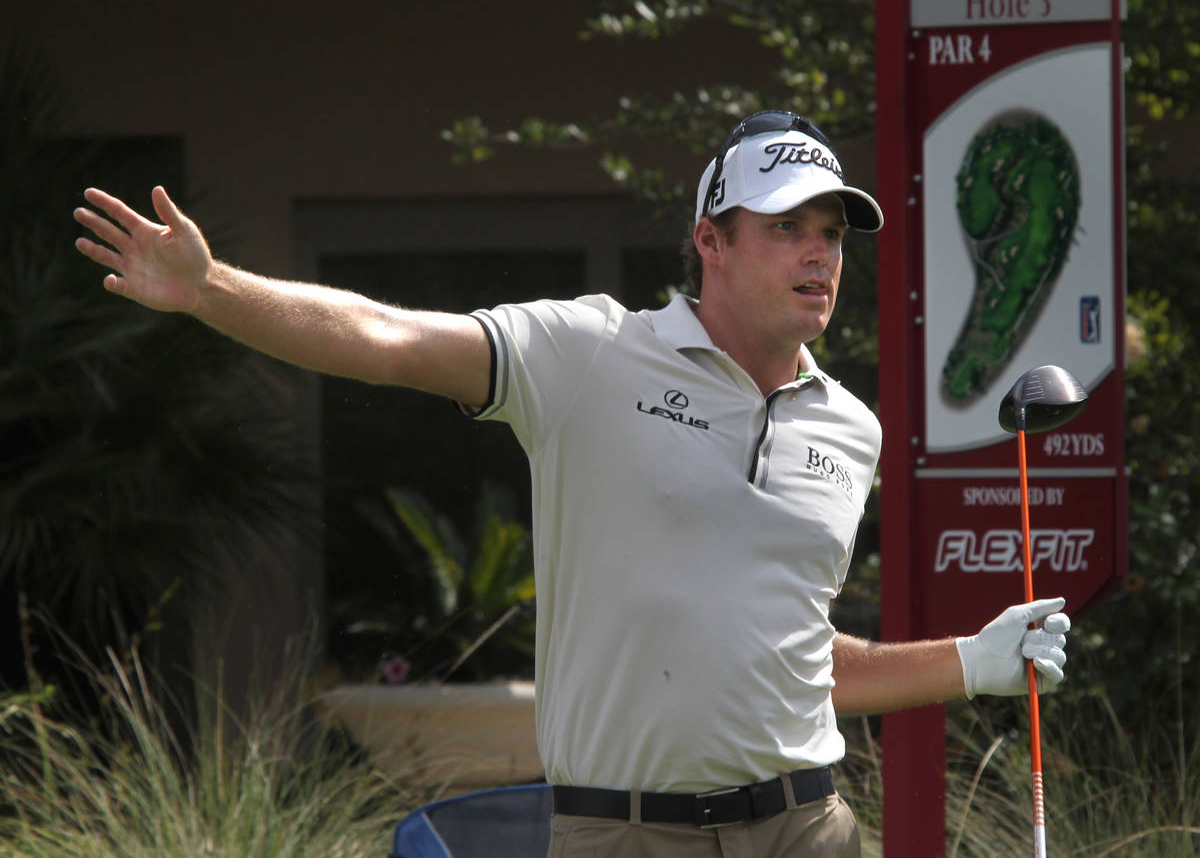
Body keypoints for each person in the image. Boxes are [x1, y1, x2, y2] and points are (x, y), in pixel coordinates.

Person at [75, 110, 1070, 858]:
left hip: (808, 827)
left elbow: (795, 660)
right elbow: (383, 338)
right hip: (625, 836)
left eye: (832, 231)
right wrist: (212, 291)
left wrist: (973, 661)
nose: (819, 251)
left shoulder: (852, 430)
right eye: (785, 226)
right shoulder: (591, 353)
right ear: (710, 242)